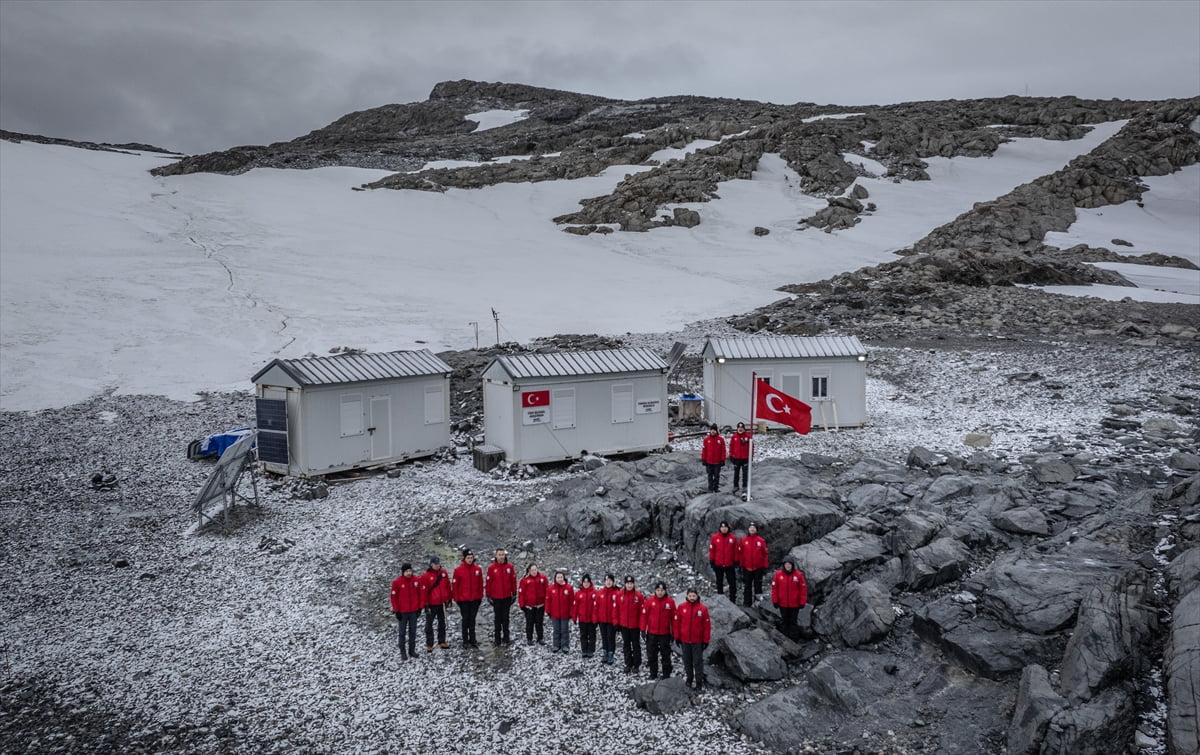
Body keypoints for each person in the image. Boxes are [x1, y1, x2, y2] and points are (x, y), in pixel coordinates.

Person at [673, 587, 711, 691]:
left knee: (698, 661)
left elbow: (707, 626)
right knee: (687, 661)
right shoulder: (681, 607)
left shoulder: (703, 609)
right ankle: (689, 679)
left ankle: (699, 682)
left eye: (694, 596)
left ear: (697, 596)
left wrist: (706, 640)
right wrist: (677, 637)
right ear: (687, 596)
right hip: (685, 640)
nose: (692, 598)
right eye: (690, 596)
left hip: (697, 641)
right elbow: (676, 623)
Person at [389, 563, 425, 660]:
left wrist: (420, 608)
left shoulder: (417, 580)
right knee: (402, 632)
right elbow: (393, 597)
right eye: (406, 571)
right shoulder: (397, 582)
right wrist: (397, 610)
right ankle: (403, 652)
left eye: (410, 571)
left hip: (413, 611)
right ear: (403, 572)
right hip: (403, 612)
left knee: (413, 632)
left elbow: (421, 594)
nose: (409, 573)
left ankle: (412, 650)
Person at [641, 581, 676, 680]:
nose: (660, 592)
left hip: (665, 634)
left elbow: (674, 618)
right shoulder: (649, 601)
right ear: (655, 591)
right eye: (658, 590)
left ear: (665, 591)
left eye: (662, 590)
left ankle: (666, 674)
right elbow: (644, 616)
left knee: (665, 654)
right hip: (652, 633)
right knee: (652, 654)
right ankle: (653, 673)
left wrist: (674, 632)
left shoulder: (670, 602)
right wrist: (643, 629)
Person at [418, 555, 452, 651]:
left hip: (441, 602)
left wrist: (449, 599)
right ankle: (429, 644)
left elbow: (448, 586)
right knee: (429, 625)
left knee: (442, 623)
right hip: (431, 603)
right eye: (435, 564)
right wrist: (425, 604)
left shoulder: (443, 573)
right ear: (431, 564)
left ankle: (441, 641)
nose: (437, 565)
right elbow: (423, 591)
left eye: (438, 563)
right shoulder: (426, 576)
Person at [452, 549, 484, 648]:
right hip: (464, 600)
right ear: (464, 559)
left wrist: (480, 596)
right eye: (468, 558)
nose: (470, 560)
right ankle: (465, 640)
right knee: (465, 619)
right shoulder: (458, 570)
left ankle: (473, 639)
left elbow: (480, 584)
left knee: (472, 620)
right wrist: (457, 599)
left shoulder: (477, 569)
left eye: (471, 558)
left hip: (475, 599)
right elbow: (455, 586)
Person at [771, 557, 808, 641]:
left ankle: (794, 640)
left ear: (792, 565)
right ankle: (784, 640)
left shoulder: (798, 575)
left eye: (789, 564)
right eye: (786, 564)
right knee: (784, 621)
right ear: (783, 565)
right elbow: (774, 589)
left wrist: (802, 602)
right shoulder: (778, 574)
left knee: (793, 622)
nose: (788, 566)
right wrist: (775, 600)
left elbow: (803, 589)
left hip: (794, 604)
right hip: (782, 604)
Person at [486, 548, 517, 646]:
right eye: (499, 554)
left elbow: (513, 581)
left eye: (503, 554)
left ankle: (506, 638)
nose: (501, 556)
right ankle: (497, 639)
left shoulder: (510, 567)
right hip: (496, 597)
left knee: (506, 618)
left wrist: (514, 593)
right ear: (496, 556)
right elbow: (489, 582)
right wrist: (488, 595)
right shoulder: (491, 568)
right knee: (497, 618)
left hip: (507, 596)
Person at [614, 575, 645, 673]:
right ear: (625, 584)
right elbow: (616, 610)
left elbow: (642, 612)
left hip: (635, 626)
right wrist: (616, 622)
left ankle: (636, 664)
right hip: (624, 625)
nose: (629, 585)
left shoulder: (638, 596)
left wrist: (642, 626)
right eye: (628, 583)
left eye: (631, 583)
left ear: (633, 584)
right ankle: (628, 663)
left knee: (636, 645)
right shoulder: (620, 595)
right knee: (626, 645)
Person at [738, 522, 769, 608]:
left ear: (756, 530)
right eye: (750, 527)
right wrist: (741, 565)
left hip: (758, 567)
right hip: (747, 567)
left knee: (758, 586)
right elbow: (741, 554)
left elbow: (765, 554)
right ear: (748, 529)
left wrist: (765, 566)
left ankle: (758, 604)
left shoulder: (761, 541)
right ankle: (747, 603)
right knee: (747, 586)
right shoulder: (743, 540)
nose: (752, 529)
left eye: (754, 528)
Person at [708, 520, 739, 603]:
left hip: (730, 564)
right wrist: (711, 561)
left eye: (725, 527)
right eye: (722, 527)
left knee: (732, 583)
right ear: (720, 528)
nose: (724, 529)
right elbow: (712, 550)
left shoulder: (733, 538)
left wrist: (736, 561)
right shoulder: (715, 537)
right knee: (719, 582)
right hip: (718, 564)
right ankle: (720, 598)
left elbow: (736, 551)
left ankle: (733, 600)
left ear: (728, 528)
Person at [517, 563, 548, 645]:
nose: (534, 571)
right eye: (532, 570)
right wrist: (522, 605)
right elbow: (521, 594)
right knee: (529, 623)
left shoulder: (543, 578)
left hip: (540, 605)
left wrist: (546, 603)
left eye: (535, 569)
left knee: (539, 622)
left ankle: (540, 638)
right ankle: (529, 638)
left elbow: (546, 591)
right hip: (529, 606)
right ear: (529, 571)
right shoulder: (524, 581)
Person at [546, 570, 575, 653]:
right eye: (558, 577)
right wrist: (548, 611)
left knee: (564, 630)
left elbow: (572, 601)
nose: (560, 579)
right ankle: (556, 645)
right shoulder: (551, 589)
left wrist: (571, 613)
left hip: (565, 614)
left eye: (561, 577)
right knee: (556, 630)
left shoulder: (569, 588)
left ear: (564, 578)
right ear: (555, 578)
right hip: (554, 614)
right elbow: (548, 600)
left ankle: (565, 645)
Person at [595, 573, 621, 665]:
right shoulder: (600, 593)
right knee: (604, 637)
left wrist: (617, 621)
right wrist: (596, 619)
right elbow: (597, 607)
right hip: (602, 620)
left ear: (613, 582)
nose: (608, 582)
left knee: (611, 637)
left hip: (611, 620)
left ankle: (611, 653)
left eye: (610, 580)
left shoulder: (617, 593)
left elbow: (619, 608)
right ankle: (605, 652)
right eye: (606, 581)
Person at [573, 574, 599, 659]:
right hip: (582, 619)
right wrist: (574, 617)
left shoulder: (595, 593)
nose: (586, 584)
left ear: (590, 583)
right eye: (584, 582)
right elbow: (575, 606)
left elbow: (597, 607)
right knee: (583, 635)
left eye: (588, 582)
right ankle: (584, 650)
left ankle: (591, 650)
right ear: (582, 583)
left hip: (592, 619)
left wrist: (597, 619)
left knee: (592, 636)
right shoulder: (578, 594)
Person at [700, 424, 726, 493]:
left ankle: (716, 487)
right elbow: (704, 450)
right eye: (712, 430)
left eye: (714, 430)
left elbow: (723, 450)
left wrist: (722, 459)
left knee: (717, 476)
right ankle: (710, 488)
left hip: (717, 462)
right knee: (710, 475)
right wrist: (703, 459)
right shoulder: (706, 440)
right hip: (709, 461)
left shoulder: (720, 439)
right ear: (710, 431)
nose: (713, 431)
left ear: (716, 431)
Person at [729, 422, 752, 492]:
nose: (740, 429)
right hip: (736, 458)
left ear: (744, 429)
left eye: (742, 428)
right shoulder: (734, 437)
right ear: (737, 428)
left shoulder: (748, 437)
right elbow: (731, 446)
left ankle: (744, 486)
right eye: (739, 428)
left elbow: (752, 446)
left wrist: (751, 456)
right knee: (736, 473)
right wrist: (731, 455)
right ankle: (736, 486)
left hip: (745, 458)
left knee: (745, 473)